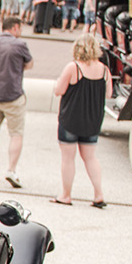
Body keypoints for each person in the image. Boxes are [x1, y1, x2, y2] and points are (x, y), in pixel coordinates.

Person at [50, 33, 109, 207]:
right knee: (90, 157)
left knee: (68, 158)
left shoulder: (73, 67)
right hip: (93, 119)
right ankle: (99, 194)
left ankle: (66, 195)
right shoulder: (104, 70)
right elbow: (109, 93)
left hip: (71, 118)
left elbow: (59, 90)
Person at [0, 14, 33, 189]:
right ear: (15, 28)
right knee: (16, 133)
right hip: (13, 95)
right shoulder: (20, 45)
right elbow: (29, 64)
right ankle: (11, 169)